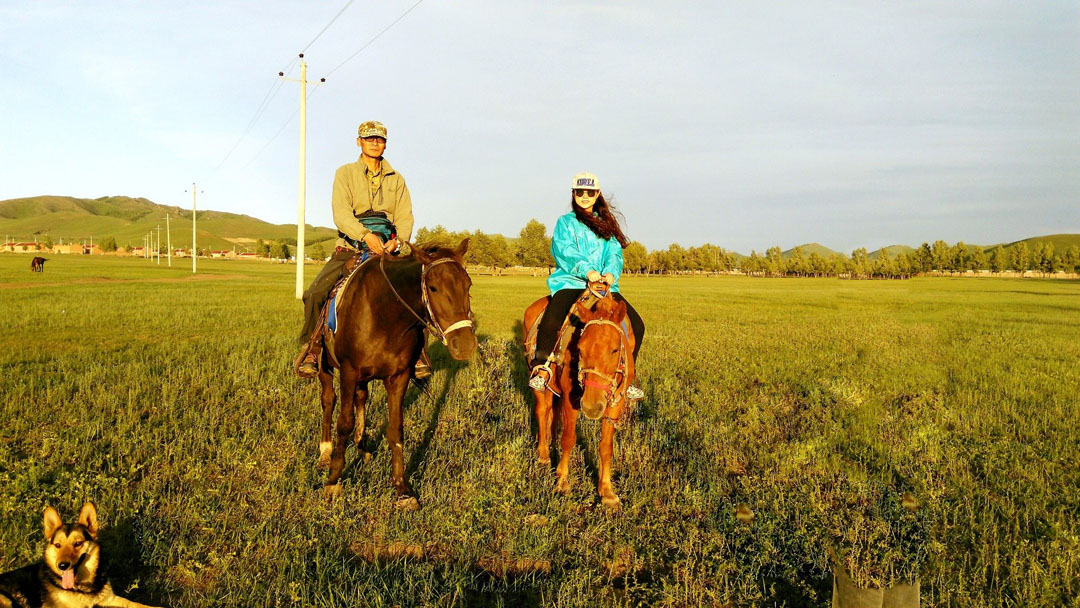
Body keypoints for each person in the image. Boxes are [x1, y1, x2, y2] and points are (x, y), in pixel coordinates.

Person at [294, 120, 416, 378]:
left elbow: (405, 216)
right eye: (369, 138)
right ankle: (313, 348)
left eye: (380, 139)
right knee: (316, 292)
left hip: (388, 249)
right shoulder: (345, 173)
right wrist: (364, 235)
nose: (375, 143)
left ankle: (418, 355)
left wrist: (398, 240)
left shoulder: (397, 179)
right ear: (359, 141)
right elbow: (340, 213)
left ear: (385, 143)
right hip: (351, 247)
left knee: (416, 292)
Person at [528, 172, 645, 399]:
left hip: (604, 286)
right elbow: (564, 250)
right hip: (572, 281)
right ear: (573, 194)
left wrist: (610, 274)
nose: (584, 196)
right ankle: (541, 366)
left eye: (589, 192)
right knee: (553, 318)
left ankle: (629, 377)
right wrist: (587, 271)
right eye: (579, 192)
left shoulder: (606, 225)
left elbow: (614, 253)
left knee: (637, 326)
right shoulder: (565, 223)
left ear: (597, 194)